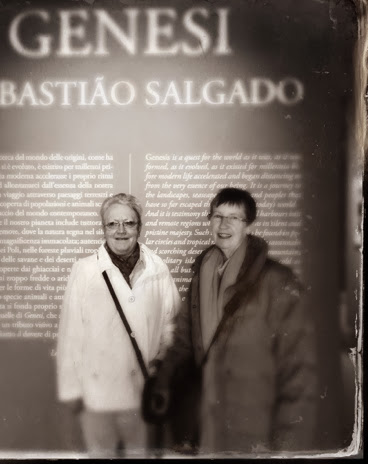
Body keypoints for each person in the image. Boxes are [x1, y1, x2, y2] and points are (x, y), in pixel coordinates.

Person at [150, 187, 317, 455]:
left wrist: (287, 447)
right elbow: (183, 341)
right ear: (209, 221)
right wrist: (162, 383)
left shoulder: (277, 281)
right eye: (218, 216)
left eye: (234, 218)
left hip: (257, 430)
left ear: (248, 225)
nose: (224, 225)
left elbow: (299, 372)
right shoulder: (201, 277)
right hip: (209, 424)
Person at [56, 193, 181, 457]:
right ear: (103, 228)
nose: (120, 231)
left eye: (129, 223)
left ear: (139, 227)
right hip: (97, 397)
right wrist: (72, 391)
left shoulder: (158, 269)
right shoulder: (84, 270)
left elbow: (172, 326)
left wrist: (163, 370)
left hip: (143, 395)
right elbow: (71, 334)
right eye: (112, 224)